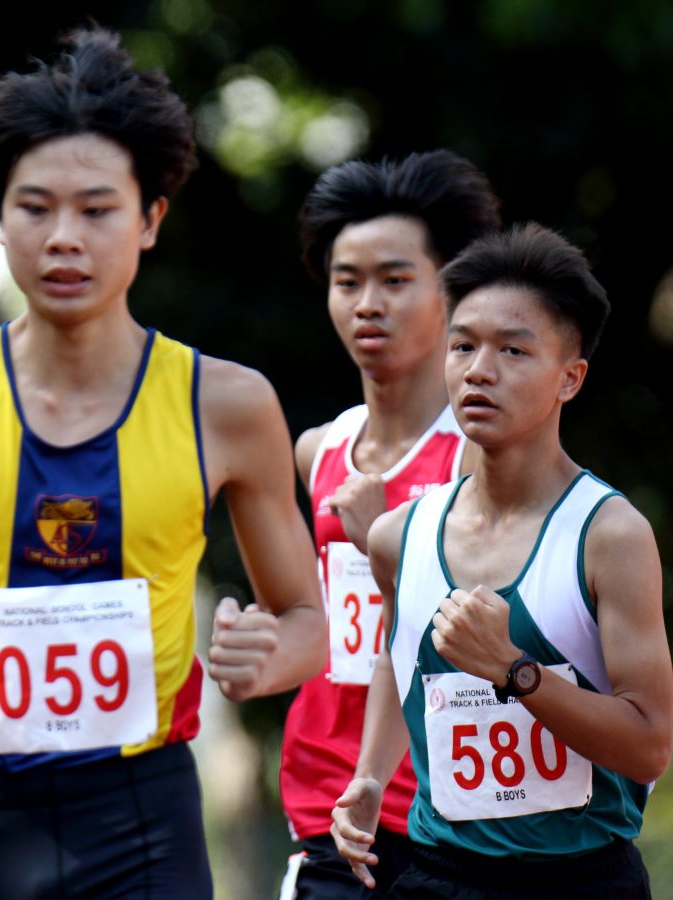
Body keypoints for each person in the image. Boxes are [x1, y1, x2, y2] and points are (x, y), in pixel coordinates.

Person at [0, 27, 323, 898]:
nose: (64, 239)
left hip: (146, 812)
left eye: (97, 211)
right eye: (35, 208)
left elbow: (308, 620)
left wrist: (265, 660)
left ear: (150, 220)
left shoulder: (228, 404)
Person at [331, 223, 672, 898]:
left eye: (513, 350)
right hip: (438, 874)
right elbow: (397, 657)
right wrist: (369, 776)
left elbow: (649, 745)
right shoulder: (397, 537)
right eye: (463, 346)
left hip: (582, 880)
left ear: (570, 378)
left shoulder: (610, 535)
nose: (479, 370)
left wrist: (515, 672)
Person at [277, 151, 501, 898]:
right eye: (348, 282)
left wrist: (388, 545)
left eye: (395, 280)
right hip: (328, 807)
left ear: (451, 289)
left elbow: (491, 630)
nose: (367, 304)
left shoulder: (479, 456)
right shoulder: (318, 451)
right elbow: (317, 624)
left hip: (449, 811)